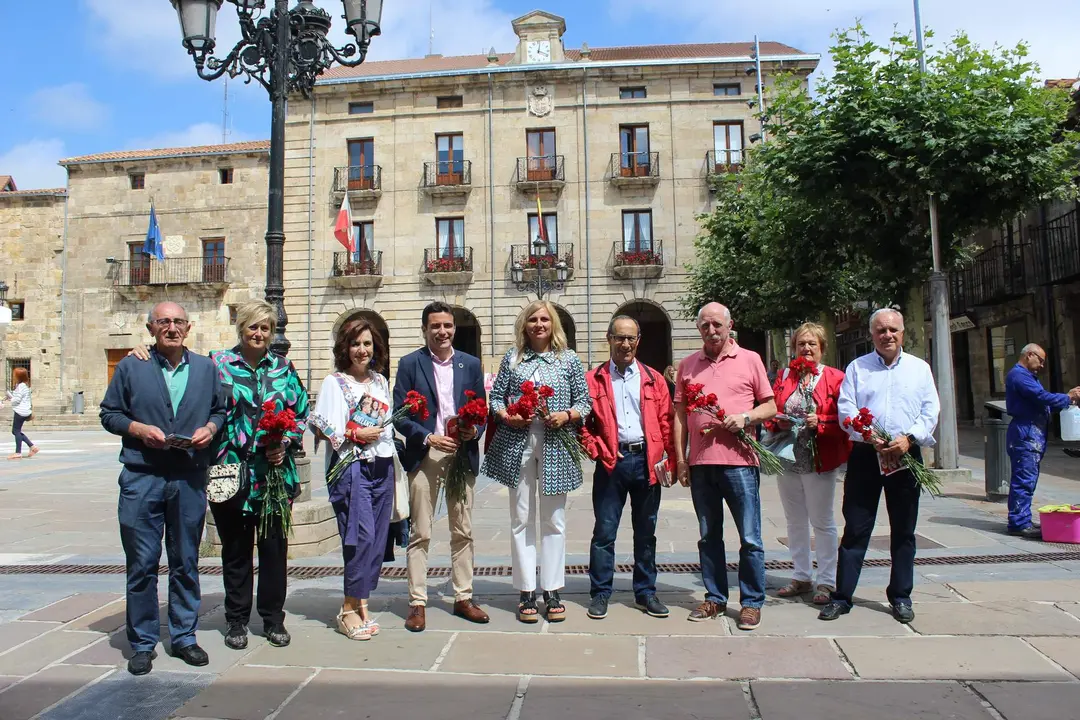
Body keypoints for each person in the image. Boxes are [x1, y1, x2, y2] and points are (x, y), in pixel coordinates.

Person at [129, 300, 309, 651]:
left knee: (274, 550)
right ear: (240, 328)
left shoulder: (284, 369)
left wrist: (285, 441)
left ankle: (273, 620)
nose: (259, 334)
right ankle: (237, 620)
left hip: (272, 475)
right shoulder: (218, 364)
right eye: (252, 327)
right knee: (236, 550)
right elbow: (179, 364)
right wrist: (145, 350)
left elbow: (300, 413)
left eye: (266, 328)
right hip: (230, 471)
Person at [99, 302, 226, 675]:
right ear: (151, 328)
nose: (171, 327)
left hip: (188, 477)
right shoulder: (131, 365)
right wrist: (138, 430)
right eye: (163, 321)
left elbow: (220, 410)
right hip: (143, 476)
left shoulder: (206, 368)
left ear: (188, 328)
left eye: (178, 321)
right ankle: (142, 641)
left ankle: (185, 636)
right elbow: (109, 413)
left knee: (186, 560)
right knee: (141, 563)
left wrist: (211, 429)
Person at [819, 308, 940, 625]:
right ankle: (842, 597)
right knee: (856, 528)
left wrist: (909, 438)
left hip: (905, 455)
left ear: (902, 333)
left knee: (904, 530)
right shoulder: (858, 368)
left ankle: (901, 596)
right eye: (881, 330)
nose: (887, 335)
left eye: (892, 330)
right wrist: (867, 434)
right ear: (872, 334)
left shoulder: (919, 369)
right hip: (865, 455)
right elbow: (846, 409)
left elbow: (930, 411)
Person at [483, 300, 591, 624]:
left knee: (554, 519)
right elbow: (496, 397)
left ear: (553, 323)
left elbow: (584, 400)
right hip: (519, 443)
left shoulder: (568, 359)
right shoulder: (512, 358)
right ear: (525, 325)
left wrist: (567, 414)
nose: (539, 324)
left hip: (557, 442)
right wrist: (506, 415)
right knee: (521, 517)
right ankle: (526, 589)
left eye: (544, 319)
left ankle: (552, 588)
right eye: (533, 319)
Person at [673, 302, 776, 631]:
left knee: (750, 537)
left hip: (740, 464)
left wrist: (745, 417)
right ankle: (715, 597)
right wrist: (681, 458)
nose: (711, 331)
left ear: (730, 326)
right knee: (708, 537)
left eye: (717, 324)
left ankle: (751, 602)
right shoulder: (688, 365)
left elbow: (770, 405)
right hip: (702, 464)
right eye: (705, 325)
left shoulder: (750, 360)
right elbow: (679, 416)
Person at [393, 301, 489, 632]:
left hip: (461, 453)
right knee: (420, 531)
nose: (442, 331)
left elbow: (483, 411)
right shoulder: (409, 364)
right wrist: (428, 437)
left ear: (454, 328)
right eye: (435, 326)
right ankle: (417, 602)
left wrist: (473, 430)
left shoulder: (471, 364)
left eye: (447, 326)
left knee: (463, 529)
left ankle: (463, 596)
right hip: (427, 455)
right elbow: (400, 414)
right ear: (425, 329)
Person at [580, 315, 675, 620]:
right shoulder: (592, 379)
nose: (625, 344)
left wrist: (668, 459)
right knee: (604, 532)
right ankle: (600, 593)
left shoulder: (653, 378)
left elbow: (666, 421)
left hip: (646, 461)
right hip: (612, 462)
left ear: (638, 341)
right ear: (609, 339)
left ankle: (646, 592)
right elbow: (582, 424)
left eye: (630, 338)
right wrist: (597, 449)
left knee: (646, 533)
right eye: (619, 338)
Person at [310, 319, 396, 641]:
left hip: (382, 466)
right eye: (356, 344)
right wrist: (353, 433)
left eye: (367, 344)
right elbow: (320, 426)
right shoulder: (335, 383)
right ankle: (347, 609)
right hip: (351, 468)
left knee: (375, 542)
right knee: (358, 538)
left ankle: (361, 602)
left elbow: (386, 424)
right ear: (345, 347)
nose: (362, 350)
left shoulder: (380, 382)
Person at [768, 323, 850, 605]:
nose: (806, 349)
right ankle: (801, 575)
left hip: (819, 459)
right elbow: (771, 408)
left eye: (812, 344)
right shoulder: (785, 375)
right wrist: (775, 421)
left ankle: (826, 581)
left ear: (822, 348)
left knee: (822, 521)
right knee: (794, 520)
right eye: (801, 344)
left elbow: (846, 419)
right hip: (789, 458)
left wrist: (823, 422)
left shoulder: (835, 377)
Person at [1004, 344, 1080, 539]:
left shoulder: (1026, 376)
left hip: (1031, 432)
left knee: (1027, 478)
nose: (1042, 365)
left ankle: (1022, 519)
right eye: (1041, 360)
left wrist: (1066, 400)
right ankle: (1019, 523)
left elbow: (1041, 402)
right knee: (1024, 479)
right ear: (1030, 355)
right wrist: (1067, 397)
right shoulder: (1019, 375)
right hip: (1026, 434)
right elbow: (1041, 397)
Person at [5, 367, 37, 460]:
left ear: (18, 376)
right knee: (15, 431)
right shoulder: (24, 385)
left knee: (16, 431)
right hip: (25, 411)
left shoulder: (20, 386)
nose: (13, 376)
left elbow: (17, 400)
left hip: (20, 411)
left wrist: (11, 398)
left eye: (14, 375)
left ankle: (18, 452)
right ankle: (32, 447)